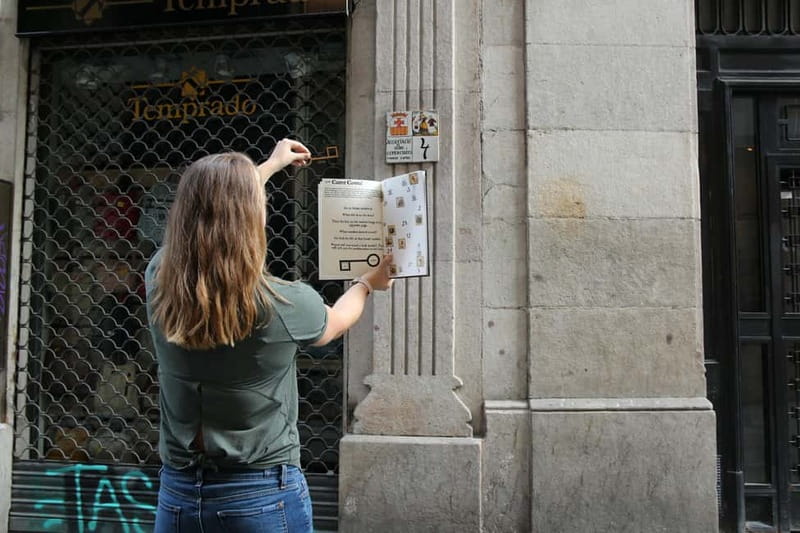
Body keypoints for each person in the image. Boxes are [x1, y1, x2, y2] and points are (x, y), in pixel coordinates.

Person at [147, 139, 393, 532]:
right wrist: (366, 283)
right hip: (260, 494)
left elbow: (212, 209)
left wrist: (268, 167)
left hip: (178, 496)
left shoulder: (158, 279)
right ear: (254, 218)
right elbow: (336, 321)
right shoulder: (284, 304)